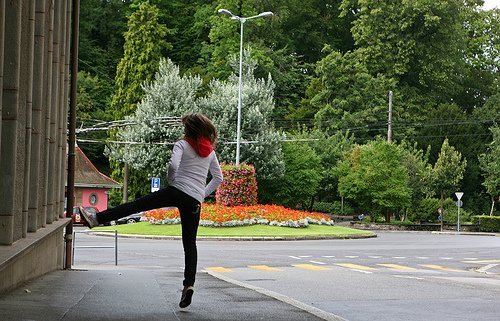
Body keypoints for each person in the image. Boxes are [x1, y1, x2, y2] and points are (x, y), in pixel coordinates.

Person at [81, 113, 223, 309]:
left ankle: (96, 219)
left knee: (137, 205)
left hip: (176, 190)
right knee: (190, 244)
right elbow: (218, 178)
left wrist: (173, 181)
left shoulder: (182, 144)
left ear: (188, 129)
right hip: (194, 200)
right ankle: (189, 285)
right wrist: (201, 194)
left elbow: (173, 165)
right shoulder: (211, 153)